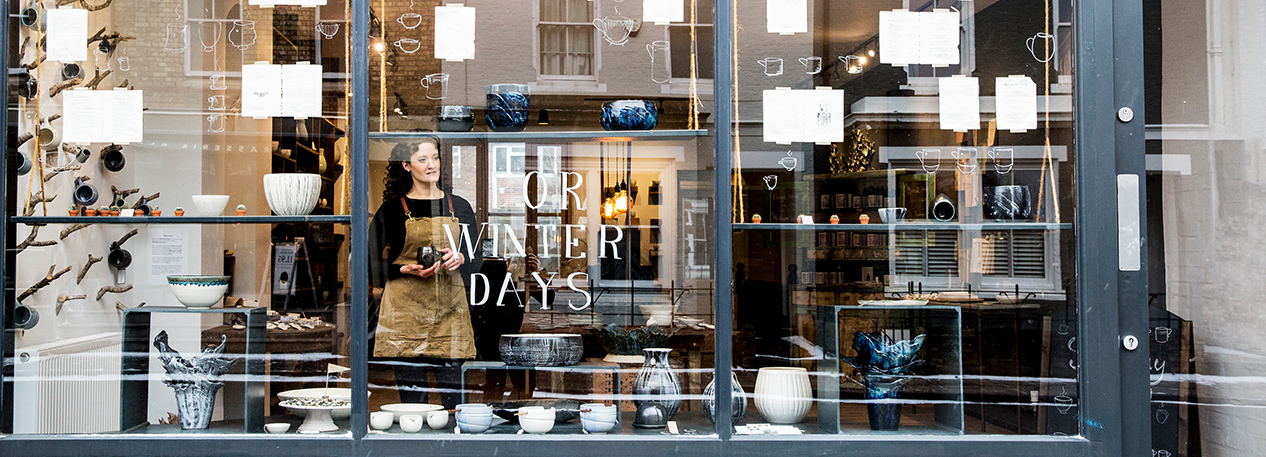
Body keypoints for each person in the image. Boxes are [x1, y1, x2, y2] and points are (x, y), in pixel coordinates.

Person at [368, 136, 481, 408]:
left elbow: (478, 261)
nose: (432, 165)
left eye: (435, 158)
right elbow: (365, 262)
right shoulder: (393, 209)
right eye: (423, 159)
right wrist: (402, 269)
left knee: (455, 401)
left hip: (449, 313)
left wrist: (462, 257)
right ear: (406, 166)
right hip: (405, 316)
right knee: (413, 403)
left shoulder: (460, 207)